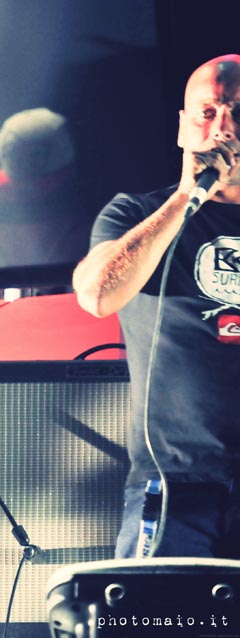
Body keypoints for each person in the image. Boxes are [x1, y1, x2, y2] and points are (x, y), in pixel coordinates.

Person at [73, 54, 240, 558]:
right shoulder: (136, 212)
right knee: (157, 604)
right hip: (174, 486)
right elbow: (96, 295)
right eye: (208, 112)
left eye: (237, 112)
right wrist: (187, 197)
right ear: (184, 127)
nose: (222, 128)